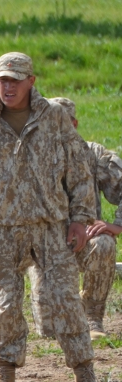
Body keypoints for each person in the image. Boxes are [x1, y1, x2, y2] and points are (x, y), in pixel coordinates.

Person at [0, 53, 112, 382]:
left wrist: (79, 218)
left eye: (15, 80)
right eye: (2, 80)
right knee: (6, 306)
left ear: (31, 81)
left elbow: (80, 172)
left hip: (51, 229)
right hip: (6, 230)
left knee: (67, 302)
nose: (8, 86)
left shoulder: (55, 118)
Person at [28, 97, 122, 342]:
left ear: (75, 124)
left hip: (85, 239)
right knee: (48, 331)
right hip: (44, 246)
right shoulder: (30, 156)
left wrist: (117, 225)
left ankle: (92, 316)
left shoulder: (94, 154)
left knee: (104, 244)